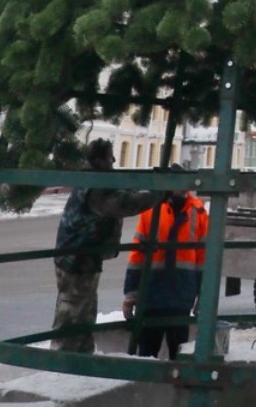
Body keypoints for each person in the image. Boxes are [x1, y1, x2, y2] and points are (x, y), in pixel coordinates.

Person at [52, 138, 159, 354]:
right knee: (73, 310)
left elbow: (123, 195)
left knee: (83, 309)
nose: (114, 160)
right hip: (77, 258)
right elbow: (123, 204)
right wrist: (157, 194)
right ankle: (63, 358)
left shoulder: (94, 181)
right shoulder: (95, 188)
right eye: (110, 157)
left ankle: (79, 356)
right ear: (99, 160)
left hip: (80, 257)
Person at [122, 176, 208, 360]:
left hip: (181, 296)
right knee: (147, 354)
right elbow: (138, 254)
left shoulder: (198, 212)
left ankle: (177, 388)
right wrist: (131, 293)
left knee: (179, 355)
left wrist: (203, 295)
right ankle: (146, 387)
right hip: (153, 294)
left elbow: (203, 259)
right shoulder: (151, 210)